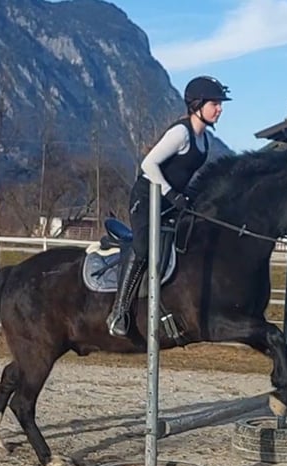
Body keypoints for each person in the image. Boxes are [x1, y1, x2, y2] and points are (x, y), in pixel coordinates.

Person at [106, 75, 232, 337]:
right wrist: (172, 194)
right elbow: (148, 165)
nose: (219, 109)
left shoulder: (204, 140)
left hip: (170, 202)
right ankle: (119, 311)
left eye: (220, 104)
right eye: (215, 103)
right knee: (143, 247)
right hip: (146, 198)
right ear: (197, 104)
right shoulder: (180, 133)